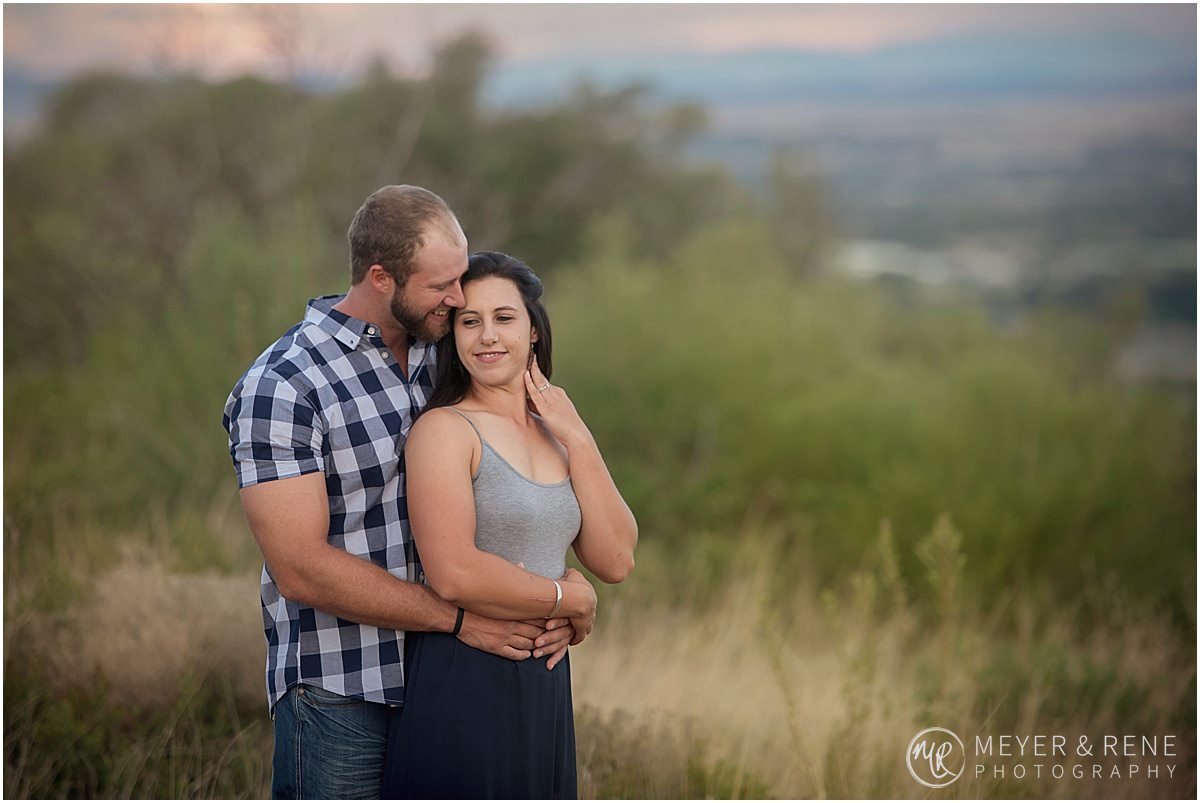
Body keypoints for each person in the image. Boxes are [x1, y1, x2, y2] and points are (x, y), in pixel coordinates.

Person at [222, 186, 585, 799]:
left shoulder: (442, 350)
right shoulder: (283, 386)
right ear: (380, 277)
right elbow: (300, 570)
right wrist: (461, 619)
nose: (459, 297)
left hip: (450, 680)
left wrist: (565, 598)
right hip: (342, 686)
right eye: (441, 284)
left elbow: (510, 492)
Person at [382, 251, 638, 798]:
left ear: (534, 331)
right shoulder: (445, 431)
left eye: (504, 318)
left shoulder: (558, 434)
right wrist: (566, 599)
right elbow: (454, 574)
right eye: (469, 322)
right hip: (465, 677)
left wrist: (579, 437)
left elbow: (615, 560)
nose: (486, 337)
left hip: (543, 682)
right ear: (453, 336)